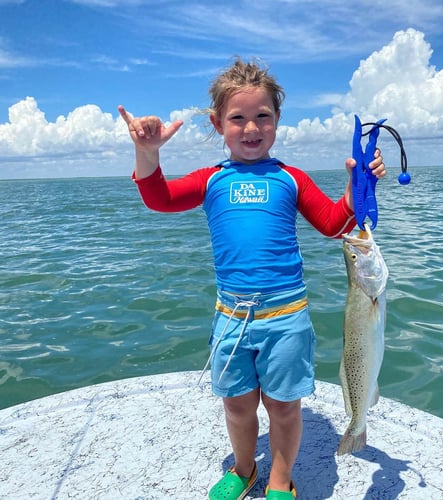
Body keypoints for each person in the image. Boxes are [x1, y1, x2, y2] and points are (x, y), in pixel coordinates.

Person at [119, 58, 385, 500]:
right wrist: (148, 153)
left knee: (284, 408)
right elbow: (160, 199)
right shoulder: (212, 180)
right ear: (217, 123)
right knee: (238, 406)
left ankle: (280, 479)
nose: (251, 128)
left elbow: (334, 224)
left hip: (287, 319)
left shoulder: (290, 178)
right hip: (232, 318)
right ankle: (244, 469)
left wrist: (355, 187)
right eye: (237, 118)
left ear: (277, 120)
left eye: (263, 116)